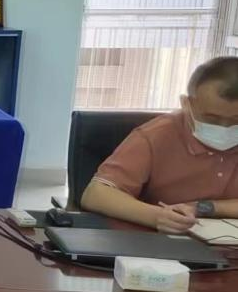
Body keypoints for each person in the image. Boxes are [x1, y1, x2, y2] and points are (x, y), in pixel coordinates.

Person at [81, 57, 238, 233]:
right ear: (187, 104)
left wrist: (204, 207)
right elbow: (96, 194)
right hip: (160, 238)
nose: (225, 127)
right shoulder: (156, 135)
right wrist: (157, 216)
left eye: (236, 120)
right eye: (212, 118)